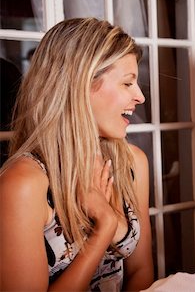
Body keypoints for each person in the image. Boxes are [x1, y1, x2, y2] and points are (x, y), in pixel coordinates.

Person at [0, 18, 154, 291]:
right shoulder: (23, 184)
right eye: (127, 83)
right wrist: (104, 228)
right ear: (80, 85)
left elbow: (141, 271)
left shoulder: (131, 163)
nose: (140, 96)